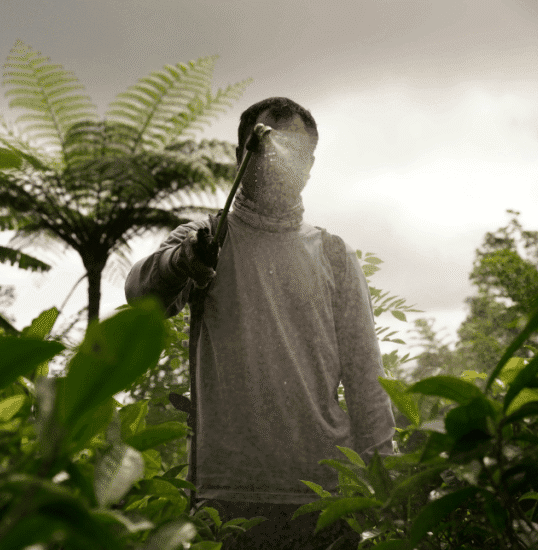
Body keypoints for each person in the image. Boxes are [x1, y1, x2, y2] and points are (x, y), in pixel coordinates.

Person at [125, 97, 396, 549]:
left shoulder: (333, 255)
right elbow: (141, 296)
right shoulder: (205, 240)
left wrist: (387, 492)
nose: (282, 162)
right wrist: (184, 261)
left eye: (299, 153)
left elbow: (368, 383)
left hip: (323, 494)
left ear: (309, 165)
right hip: (226, 494)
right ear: (241, 158)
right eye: (268, 148)